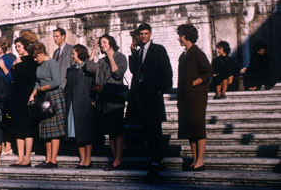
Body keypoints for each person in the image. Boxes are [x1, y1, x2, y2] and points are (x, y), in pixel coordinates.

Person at [127, 23, 173, 183]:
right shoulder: (138, 52)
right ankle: (152, 158)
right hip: (140, 97)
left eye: (146, 33)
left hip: (153, 96)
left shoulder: (158, 49)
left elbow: (167, 71)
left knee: (155, 130)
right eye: (141, 34)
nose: (144, 36)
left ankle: (156, 160)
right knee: (146, 130)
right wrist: (132, 52)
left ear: (150, 34)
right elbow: (133, 71)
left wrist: (162, 89)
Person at [88, 34, 128, 171]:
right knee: (111, 131)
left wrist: (111, 57)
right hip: (103, 98)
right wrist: (93, 49)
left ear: (111, 43)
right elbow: (89, 67)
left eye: (105, 43)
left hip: (115, 98)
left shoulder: (120, 57)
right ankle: (115, 158)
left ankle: (118, 160)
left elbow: (118, 74)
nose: (102, 45)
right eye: (101, 44)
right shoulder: (101, 60)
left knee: (117, 130)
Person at [176, 24, 213, 171]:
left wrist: (194, 82)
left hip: (197, 96)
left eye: (180, 35)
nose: (178, 38)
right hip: (185, 97)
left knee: (198, 127)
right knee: (189, 129)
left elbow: (208, 72)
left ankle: (200, 161)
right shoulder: (183, 55)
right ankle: (194, 159)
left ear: (186, 36)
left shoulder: (197, 53)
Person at [28, 42, 66, 168]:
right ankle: (48, 158)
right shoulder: (40, 65)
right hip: (44, 98)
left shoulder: (51, 63)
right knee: (46, 130)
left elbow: (56, 82)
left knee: (54, 131)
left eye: (35, 56)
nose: (34, 59)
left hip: (55, 96)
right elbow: (38, 82)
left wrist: (40, 89)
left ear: (41, 53)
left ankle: (53, 159)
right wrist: (33, 94)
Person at [65, 44, 95, 168]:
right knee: (77, 132)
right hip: (73, 103)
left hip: (85, 103)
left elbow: (92, 85)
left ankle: (88, 159)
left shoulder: (87, 69)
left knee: (86, 132)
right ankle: (82, 159)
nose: (72, 55)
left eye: (74, 53)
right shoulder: (72, 69)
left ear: (80, 53)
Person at [9, 36, 38, 167]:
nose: (17, 49)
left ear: (25, 46)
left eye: (19, 46)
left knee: (27, 128)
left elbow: (28, 78)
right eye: (16, 47)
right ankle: (20, 157)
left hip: (26, 96)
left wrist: (19, 65)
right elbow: (14, 78)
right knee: (18, 128)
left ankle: (27, 157)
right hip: (16, 97)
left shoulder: (31, 61)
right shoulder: (18, 61)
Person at [0, 37, 15, 155]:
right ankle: (0, 145)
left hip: (7, 93)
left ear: (3, 48)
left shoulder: (9, 59)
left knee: (6, 120)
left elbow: (12, 78)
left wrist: (3, 67)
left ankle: (8, 145)